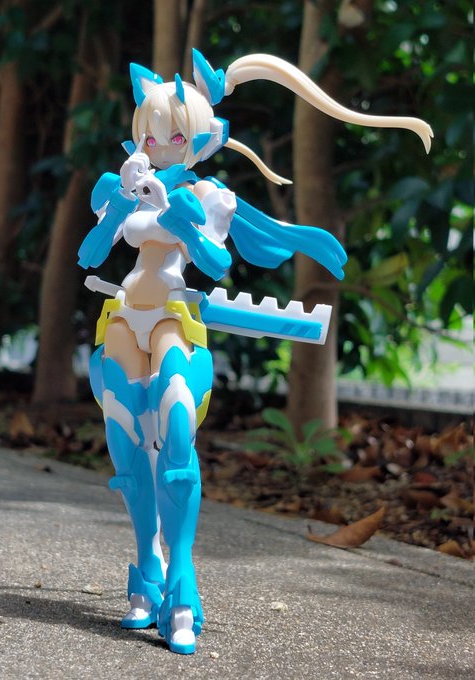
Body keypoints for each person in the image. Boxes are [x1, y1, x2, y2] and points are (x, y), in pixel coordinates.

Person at [78, 50, 432, 654]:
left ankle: (181, 577)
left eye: (173, 134)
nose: (159, 144)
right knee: (126, 438)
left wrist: (184, 224)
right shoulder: (129, 187)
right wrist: (117, 204)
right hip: (123, 316)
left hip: (174, 316)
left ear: (200, 137)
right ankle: (146, 567)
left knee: (177, 424)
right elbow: (90, 255)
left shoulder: (208, 194)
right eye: (150, 132)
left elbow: (216, 263)